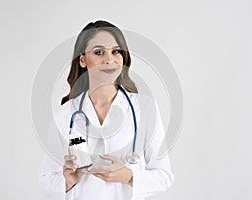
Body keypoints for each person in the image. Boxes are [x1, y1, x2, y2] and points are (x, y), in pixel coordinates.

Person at [39, 20, 174, 200]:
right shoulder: (64, 115)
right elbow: (46, 180)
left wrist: (129, 176)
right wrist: (68, 181)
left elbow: (164, 176)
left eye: (116, 51)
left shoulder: (145, 108)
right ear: (82, 60)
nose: (109, 59)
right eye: (99, 52)